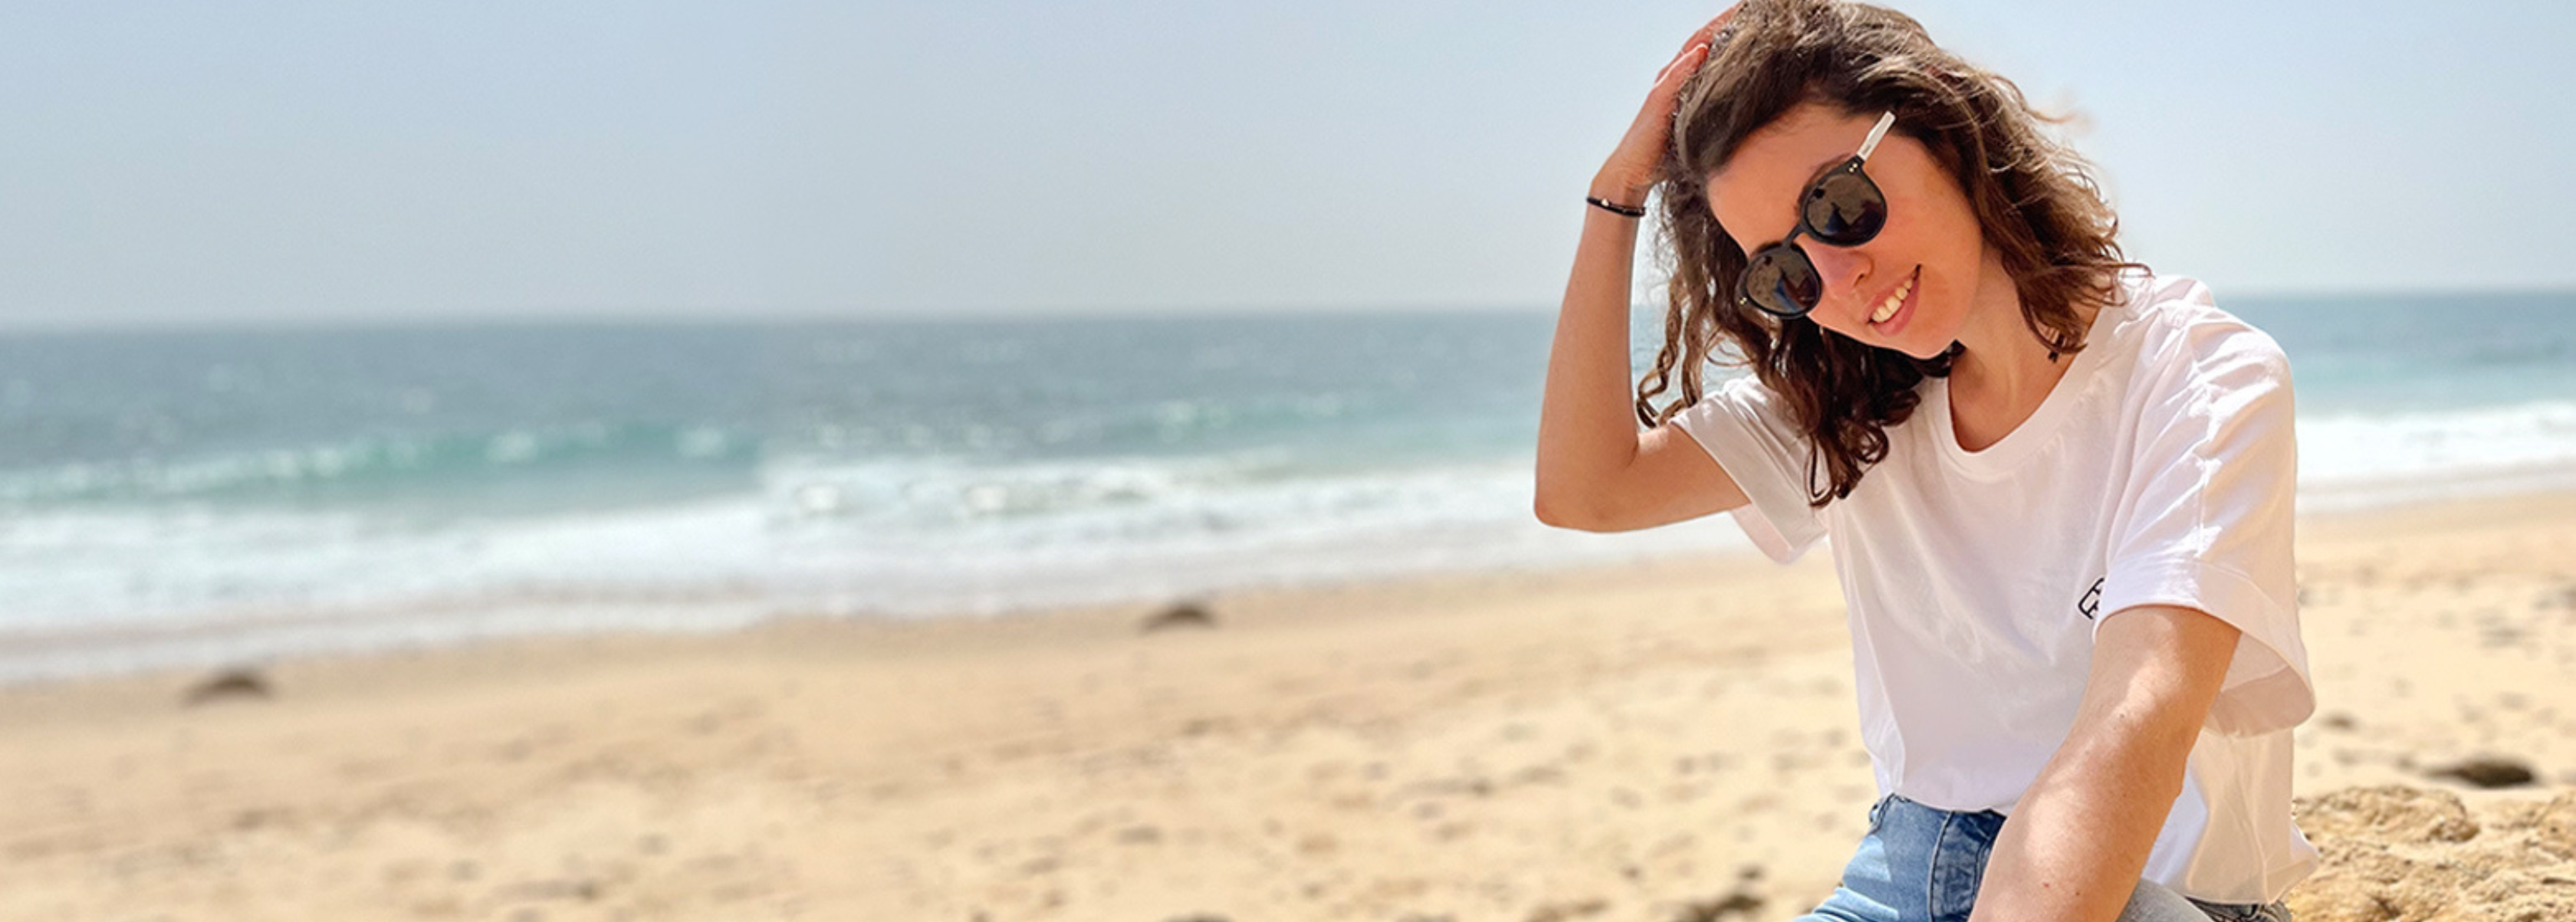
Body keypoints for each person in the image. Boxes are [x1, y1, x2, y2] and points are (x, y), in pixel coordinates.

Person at [1532, 2, 2314, 921]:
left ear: (1943, 124)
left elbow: (2133, 724)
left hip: (2132, 888)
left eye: (1838, 204)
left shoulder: (2201, 381)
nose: (1837, 276)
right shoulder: (1853, 408)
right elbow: (1586, 491)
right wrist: (1615, 196)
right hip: (1904, 872)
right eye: (1783, 269)